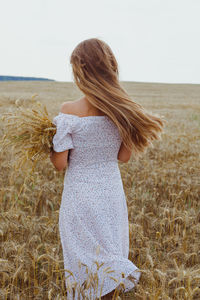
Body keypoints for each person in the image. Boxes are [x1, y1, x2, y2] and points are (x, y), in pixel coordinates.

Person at [50, 38, 165, 299]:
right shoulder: (122, 112)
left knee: (83, 263)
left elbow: (60, 164)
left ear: (79, 70)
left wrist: (50, 144)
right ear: (111, 66)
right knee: (109, 264)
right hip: (111, 195)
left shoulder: (69, 111)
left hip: (80, 196)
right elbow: (123, 157)